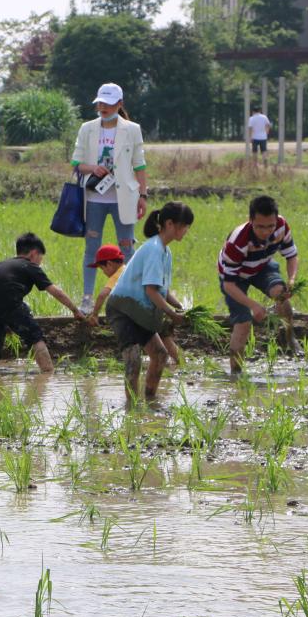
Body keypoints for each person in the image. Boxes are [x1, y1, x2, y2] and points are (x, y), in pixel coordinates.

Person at [71, 82, 149, 315]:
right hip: (95, 198)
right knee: (91, 247)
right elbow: (76, 164)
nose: (103, 107)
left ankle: (131, 294)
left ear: (120, 103)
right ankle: (87, 298)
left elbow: (140, 165)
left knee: (127, 247)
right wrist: (92, 168)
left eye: (108, 102)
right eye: (100, 103)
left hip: (123, 198)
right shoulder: (87, 129)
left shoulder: (132, 129)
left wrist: (143, 195)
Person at [106, 202, 194, 401]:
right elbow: (151, 291)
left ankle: (150, 399)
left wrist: (180, 307)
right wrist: (171, 313)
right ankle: (132, 408)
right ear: (170, 224)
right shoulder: (154, 249)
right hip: (124, 310)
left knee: (160, 355)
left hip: (140, 312)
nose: (186, 231)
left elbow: (163, 289)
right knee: (133, 361)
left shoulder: (165, 252)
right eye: (184, 226)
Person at [0, 233, 89, 375]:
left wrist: (4, 322)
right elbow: (55, 291)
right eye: (40, 258)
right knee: (35, 336)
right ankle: (48, 372)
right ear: (34, 253)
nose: (40, 262)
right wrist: (75, 310)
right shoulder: (30, 266)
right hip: (10, 302)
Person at [218, 195, 299, 373]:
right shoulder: (237, 242)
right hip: (236, 276)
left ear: (276, 220)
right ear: (251, 221)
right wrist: (254, 305)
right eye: (260, 226)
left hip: (261, 265)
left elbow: (291, 255)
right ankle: (236, 373)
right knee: (244, 324)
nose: (266, 231)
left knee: (281, 295)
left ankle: (290, 337)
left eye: (270, 226)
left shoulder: (281, 226)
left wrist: (291, 280)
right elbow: (229, 285)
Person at [89, 243, 180, 364]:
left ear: (109, 264)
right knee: (166, 339)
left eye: (102, 268)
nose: (103, 272)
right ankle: (179, 363)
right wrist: (179, 307)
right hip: (158, 310)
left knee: (145, 342)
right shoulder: (134, 271)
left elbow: (102, 295)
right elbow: (164, 291)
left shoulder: (119, 275)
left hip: (144, 314)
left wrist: (94, 314)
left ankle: (160, 366)